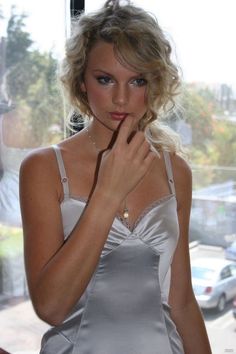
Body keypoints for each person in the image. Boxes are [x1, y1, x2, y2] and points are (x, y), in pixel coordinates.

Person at [19, 1, 212, 353]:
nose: (121, 98)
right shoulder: (44, 168)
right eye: (105, 79)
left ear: (153, 86)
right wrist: (108, 192)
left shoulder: (175, 171)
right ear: (81, 82)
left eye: (137, 80)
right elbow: (51, 308)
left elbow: (182, 302)